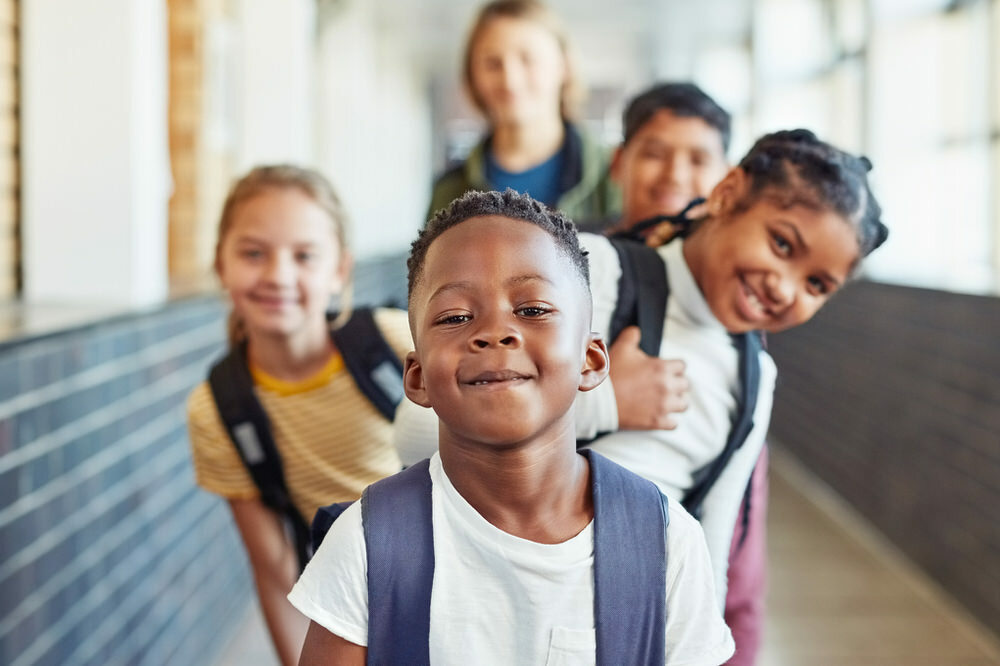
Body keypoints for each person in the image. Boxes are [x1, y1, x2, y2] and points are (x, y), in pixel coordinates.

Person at [290, 189, 735, 665]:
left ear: (590, 359)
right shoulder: (368, 543)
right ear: (417, 378)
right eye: (456, 316)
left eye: (533, 310)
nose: (496, 331)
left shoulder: (665, 543)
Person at [578, 128, 888, 653]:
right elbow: (425, 431)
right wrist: (600, 402)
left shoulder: (754, 380)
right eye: (783, 243)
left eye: (817, 285)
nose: (784, 288)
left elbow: (709, 557)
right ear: (725, 193)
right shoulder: (590, 272)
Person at [185, 165, 410, 665]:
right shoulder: (219, 409)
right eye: (253, 253)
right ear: (221, 263)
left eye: (304, 255)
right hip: (351, 614)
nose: (278, 275)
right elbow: (276, 570)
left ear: (339, 270)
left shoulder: (395, 343)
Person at [427, 0, 619, 221]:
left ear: (563, 65)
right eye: (492, 63)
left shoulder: (616, 175)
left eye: (528, 59)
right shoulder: (448, 191)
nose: (510, 80)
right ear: (472, 75)